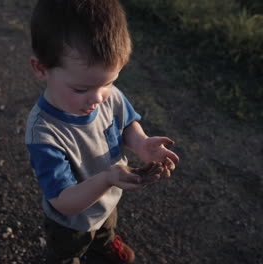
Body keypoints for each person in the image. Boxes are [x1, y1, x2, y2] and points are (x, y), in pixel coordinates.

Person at [25, 0, 179, 263]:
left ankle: (104, 245)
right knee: (65, 253)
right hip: (70, 223)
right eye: (81, 89)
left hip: (108, 197)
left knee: (106, 225)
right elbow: (63, 202)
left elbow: (126, 123)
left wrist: (142, 144)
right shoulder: (44, 134)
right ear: (41, 69)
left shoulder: (108, 96)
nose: (97, 98)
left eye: (108, 82)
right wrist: (106, 179)